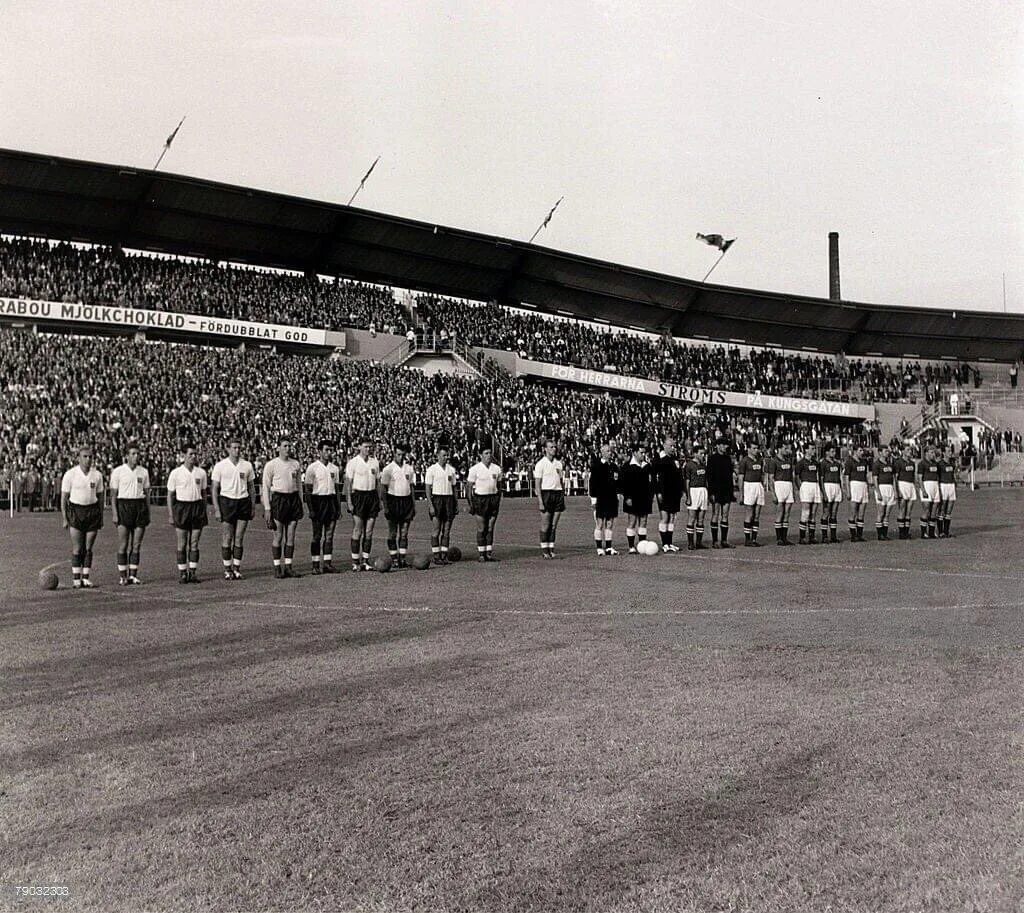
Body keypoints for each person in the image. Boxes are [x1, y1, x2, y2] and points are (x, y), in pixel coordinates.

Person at [211, 439, 256, 580]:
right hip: (227, 501)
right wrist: (217, 509)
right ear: (228, 449)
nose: (237, 450)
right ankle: (227, 569)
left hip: (243, 502)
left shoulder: (247, 465)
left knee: (239, 537)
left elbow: (252, 488)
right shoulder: (220, 466)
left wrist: (253, 506)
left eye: (239, 448)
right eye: (234, 447)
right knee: (227, 537)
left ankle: (236, 568)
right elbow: (214, 489)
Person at [60, 445, 104, 589]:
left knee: (88, 548)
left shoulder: (97, 475)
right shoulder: (70, 474)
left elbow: (100, 497)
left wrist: (100, 516)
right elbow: (64, 498)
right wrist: (65, 518)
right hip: (76, 511)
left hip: (92, 512)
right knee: (77, 548)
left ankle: (85, 578)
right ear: (78, 458)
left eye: (90, 457)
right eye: (85, 456)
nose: (88, 459)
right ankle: (76, 579)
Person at [262, 439, 305, 578]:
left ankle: (288, 567)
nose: (287, 448)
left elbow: (299, 486)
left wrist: (301, 503)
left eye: (289, 446)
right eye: (285, 446)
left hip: (293, 500)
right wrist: (267, 508)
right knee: (278, 535)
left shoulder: (295, 464)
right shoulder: (271, 465)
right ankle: (276, 567)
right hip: (278, 500)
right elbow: (266, 487)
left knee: (291, 536)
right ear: (278, 448)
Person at [109, 443, 150, 585]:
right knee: (123, 544)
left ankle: (133, 575)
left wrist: (148, 512)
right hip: (124, 506)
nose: (136, 456)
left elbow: (147, 494)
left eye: (137, 453)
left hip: (139, 506)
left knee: (136, 544)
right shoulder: (118, 471)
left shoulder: (143, 472)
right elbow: (113, 495)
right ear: (126, 456)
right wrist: (115, 513)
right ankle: (123, 576)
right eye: (132, 453)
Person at [166, 445, 208, 584]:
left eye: (195, 454)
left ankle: (193, 572)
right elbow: (170, 495)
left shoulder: (201, 473)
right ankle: (183, 573)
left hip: (197, 508)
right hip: (182, 508)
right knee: (182, 543)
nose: (193, 457)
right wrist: (171, 514)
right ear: (184, 456)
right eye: (190, 454)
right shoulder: (176, 473)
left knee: (194, 543)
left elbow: (203, 493)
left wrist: (204, 509)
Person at [303, 440, 341, 574]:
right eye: (326, 450)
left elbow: (336, 490)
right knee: (317, 535)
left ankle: (327, 564)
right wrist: (311, 509)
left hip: (330, 501)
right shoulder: (312, 468)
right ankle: (315, 565)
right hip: (318, 502)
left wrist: (338, 508)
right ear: (319, 451)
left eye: (331, 450)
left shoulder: (334, 468)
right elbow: (307, 490)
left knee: (329, 535)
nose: (329, 453)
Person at [345, 438, 380, 571]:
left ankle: (365, 560)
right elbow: (348, 484)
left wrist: (379, 500)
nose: (368, 449)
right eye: (365, 447)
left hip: (372, 497)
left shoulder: (374, 462)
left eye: (370, 447)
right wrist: (349, 501)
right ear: (359, 447)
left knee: (369, 532)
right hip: (358, 497)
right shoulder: (353, 463)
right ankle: (355, 562)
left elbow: (377, 483)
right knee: (358, 530)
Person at [380, 443, 416, 568]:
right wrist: (386, 506)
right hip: (393, 501)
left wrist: (413, 505)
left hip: (406, 502)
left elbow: (411, 487)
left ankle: (402, 559)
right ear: (394, 454)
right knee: (393, 533)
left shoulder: (409, 469)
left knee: (404, 533)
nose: (400, 457)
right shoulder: (388, 469)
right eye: (398, 454)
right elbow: (383, 489)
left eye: (403, 455)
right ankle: (394, 558)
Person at [467, 446, 503, 561]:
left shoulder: (497, 469)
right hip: (480, 500)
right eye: (486, 453)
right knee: (482, 528)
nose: (489, 455)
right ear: (480, 455)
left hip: (492, 500)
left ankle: (488, 553)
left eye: (490, 453)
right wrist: (471, 503)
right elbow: (468, 488)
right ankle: (481, 554)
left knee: (491, 527)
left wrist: (497, 499)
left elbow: (500, 486)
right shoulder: (474, 469)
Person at [424, 445, 459, 564]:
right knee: (436, 529)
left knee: (447, 530)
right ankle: (436, 556)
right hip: (437, 499)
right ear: (438, 455)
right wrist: (430, 505)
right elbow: (428, 489)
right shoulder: (431, 469)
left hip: (449, 500)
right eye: (443, 455)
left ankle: (444, 556)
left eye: (447, 455)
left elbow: (454, 488)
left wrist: (456, 503)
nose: (446, 457)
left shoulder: (451, 470)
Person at [533, 439, 566, 559]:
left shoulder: (559, 464)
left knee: (554, 525)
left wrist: (562, 494)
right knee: (546, 525)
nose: (554, 449)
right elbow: (537, 484)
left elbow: (561, 481)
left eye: (555, 447)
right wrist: (540, 501)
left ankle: (551, 548)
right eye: (551, 447)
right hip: (546, 494)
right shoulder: (540, 464)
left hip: (557, 494)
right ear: (545, 449)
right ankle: (544, 549)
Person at [619, 444, 653, 554]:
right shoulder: (627, 466)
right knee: (632, 521)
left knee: (643, 521)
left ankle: (642, 545)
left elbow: (650, 483)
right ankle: (631, 546)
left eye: (644, 453)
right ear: (634, 453)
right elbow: (623, 484)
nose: (643, 455)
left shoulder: (647, 466)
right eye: (641, 452)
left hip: (645, 498)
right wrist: (627, 497)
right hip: (632, 498)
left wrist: (650, 496)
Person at [652, 437, 683, 553]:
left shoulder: (674, 460)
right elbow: (655, 478)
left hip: (674, 493)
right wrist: (658, 492)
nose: (673, 448)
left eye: (674, 446)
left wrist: (680, 490)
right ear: (664, 445)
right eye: (671, 446)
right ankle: (664, 543)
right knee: (665, 517)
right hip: (664, 493)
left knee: (672, 518)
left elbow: (679, 476)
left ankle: (669, 543)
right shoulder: (658, 459)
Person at [588, 442, 620, 556]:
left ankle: (609, 547)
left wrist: (618, 494)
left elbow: (617, 483)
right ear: (602, 452)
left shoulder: (614, 466)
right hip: (601, 498)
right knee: (600, 523)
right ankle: (599, 548)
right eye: (607, 451)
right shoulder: (596, 466)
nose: (610, 453)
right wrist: (593, 499)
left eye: (610, 451)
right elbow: (592, 483)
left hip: (611, 498)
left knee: (610, 523)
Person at [735, 442, 766, 547]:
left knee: (757, 514)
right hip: (749, 486)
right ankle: (747, 539)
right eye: (753, 448)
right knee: (749, 513)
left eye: (757, 448)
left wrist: (763, 484)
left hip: (758, 486)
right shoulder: (744, 461)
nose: (756, 450)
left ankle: (754, 539)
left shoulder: (760, 460)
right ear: (748, 449)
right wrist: (741, 493)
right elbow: (740, 478)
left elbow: (762, 474)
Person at [707, 439, 735, 548]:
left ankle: (724, 540)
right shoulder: (712, 458)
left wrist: (731, 491)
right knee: (716, 514)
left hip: (727, 490)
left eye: (726, 445)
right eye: (723, 445)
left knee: (725, 515)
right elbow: (710, 477)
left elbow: (730, 476)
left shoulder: (728, 458)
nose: (725, 447)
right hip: (716, 490)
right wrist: (711, 492)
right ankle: (715, 541)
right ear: (718, 446)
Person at [765, 444, 796, 545]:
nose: (787, 450)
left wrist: (793, 491)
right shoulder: (773, 461)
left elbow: (792, 476)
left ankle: (784, 538)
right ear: (779, 449)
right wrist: (773, 493)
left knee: (787, 513)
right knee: (780, 513)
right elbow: (771, 478)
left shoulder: (789, 460)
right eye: (785, 448)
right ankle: (779, 539)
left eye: (788, 448)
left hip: (788, 486)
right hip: (779, 485)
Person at [683, 443, 709, 550]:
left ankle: (699, 542)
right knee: (692, 518)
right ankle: (690, 543)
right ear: (695, 454)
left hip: (703, 491)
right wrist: (688, 497)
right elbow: (687, 482)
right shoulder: (689, 465)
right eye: (701, 453)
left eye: (703, 453)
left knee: (701, 519)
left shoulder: (703, 465)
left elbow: (706, 480)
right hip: (693, 491)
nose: (703, 455)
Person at [843, 445, 871, 542]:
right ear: (855, 451)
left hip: (863, 486)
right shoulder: (849, 461)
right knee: (853, 512)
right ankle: (853, 535)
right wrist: (848, 491)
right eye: (860, 450)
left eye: (862, 450)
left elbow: (866, 476)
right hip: (854, 486)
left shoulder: (864, 462)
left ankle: (860, 535)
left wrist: (867, 488)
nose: (862, 452)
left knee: (862, 513)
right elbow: (846, 477)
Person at [795, 446, 822, 544]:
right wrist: (800, 488)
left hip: (815, 485)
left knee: (813, 513)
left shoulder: (816, 463)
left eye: (814, 448)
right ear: (806, 450)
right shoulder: (801, 463)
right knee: (805, 512)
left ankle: (812, 536)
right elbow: (796, 477)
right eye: (811, 448)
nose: (814, 450)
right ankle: (802, 537)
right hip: (806, 485)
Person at [872, 444, 897, 540]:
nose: (887, 453)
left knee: (887, 514)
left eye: (888, 451)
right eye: (885, 451)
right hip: (881, 488)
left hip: (890, 488)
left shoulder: (890, 464)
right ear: (880, 452)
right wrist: (878, 492)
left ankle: (885, 534)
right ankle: (880, 535)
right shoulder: (876, 464)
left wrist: (895, 491)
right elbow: (875, 479)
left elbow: (894, 478)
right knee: (881, 512)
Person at [820, 443, 843, 544]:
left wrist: (841, 489)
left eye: (834, 451)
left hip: (836, 486)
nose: (834, 453)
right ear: (827, 452)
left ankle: (833, 536)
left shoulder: (837, 464)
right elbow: (821, 478)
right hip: (827, 486)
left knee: (834, 513)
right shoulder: (823, 463)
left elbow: (840, 477)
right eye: (832, 451)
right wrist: (823, 493)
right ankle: (824, 536)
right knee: (826, 512)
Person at [893, 446, 918, 539]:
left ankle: (907, 532)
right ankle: (901, 533)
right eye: (907, 450)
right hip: (902, 484)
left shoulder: (912, 463)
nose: (910, 451)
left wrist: (915, 486)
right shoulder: (898, 462)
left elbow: (913, 476)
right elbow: (895, 477)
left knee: (909, 511)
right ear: (902, 451)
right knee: (902, 509)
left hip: (910, 485)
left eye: (910, 450)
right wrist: (897, 490)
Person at [918, 445, 941, 540]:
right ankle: (923, 533)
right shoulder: (922, 464)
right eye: (931, 452)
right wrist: (923, 490)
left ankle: (931, 532)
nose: (933, 454)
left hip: (935, 486)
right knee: (926, 510)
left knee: (934, 510)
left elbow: (938, 476)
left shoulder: (936, 464)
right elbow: (919, 478)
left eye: (934, 452)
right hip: (927, 486)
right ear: (926, 453)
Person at [938, 445, 957, 537]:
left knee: (949, 510)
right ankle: (940, 532)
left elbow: (954, 474)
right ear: (943, 453)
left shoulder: (952, 463)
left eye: (951, 451)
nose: (950, 453)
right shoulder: (940, 464)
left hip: (951, 486)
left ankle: (946, 532)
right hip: (943, 485)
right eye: (948, 451)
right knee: (942, 509)